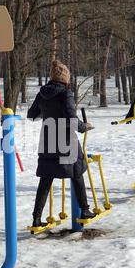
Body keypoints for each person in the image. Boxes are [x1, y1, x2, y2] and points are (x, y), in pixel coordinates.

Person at [27, 60, 97, 228]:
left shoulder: (42, 93)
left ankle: (36, 218)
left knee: (46, 178)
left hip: (48, 139)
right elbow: (72, 120)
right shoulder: (65, 94)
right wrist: (84, 127)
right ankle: (85, 209)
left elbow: (31, 115)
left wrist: (48, 114)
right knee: (77, 172)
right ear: (65, 78)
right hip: (65, 140)